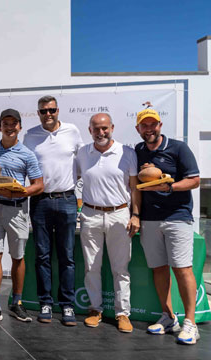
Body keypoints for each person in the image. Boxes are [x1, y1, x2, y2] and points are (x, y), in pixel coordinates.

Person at [134, 108, 201, 345]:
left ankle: (190, 324)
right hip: (150, 219)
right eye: (145, 125)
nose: (149, 129)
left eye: (153, 124)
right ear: (138, 129)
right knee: (159, 269)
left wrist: (169, 187)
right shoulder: (138, 150)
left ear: (160, 125)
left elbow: (195, 180)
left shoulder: (179, 148)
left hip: (177, 216)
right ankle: (168, 316)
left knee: (182, 269)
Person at [76, 113, 139, 333]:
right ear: (89, 130)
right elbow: (72, 179)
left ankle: (123, 314)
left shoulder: (127, 152)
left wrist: (136, 214)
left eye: (104, 128)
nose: (101, 132)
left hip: (119, 214)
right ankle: (95, 309)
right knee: (92, 267)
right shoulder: (83, 153)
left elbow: (134, 187)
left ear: (112, 127)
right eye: (96, 129)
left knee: (120, 269)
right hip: (91, 214)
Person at [23, 95, 83, 326]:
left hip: (67, 199)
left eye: (52, 110)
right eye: (43, 111)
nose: (48, 114)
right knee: (42, 256)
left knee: (67, 256)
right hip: (40, 202)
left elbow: (81, 162)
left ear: (58, 111)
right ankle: (45, 303)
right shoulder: (30, 136)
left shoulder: (72, 131)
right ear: (38, 113)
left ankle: (67, 306)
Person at [0, 109, 44, 326]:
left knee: (18, 257)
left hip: (17, 209)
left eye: (14, 123)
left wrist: (20, 192)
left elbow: (39, 184)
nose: (9, 127)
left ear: (19, 127)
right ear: (0, 127)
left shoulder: (27, 153)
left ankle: (16, 302)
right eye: (5, 123)